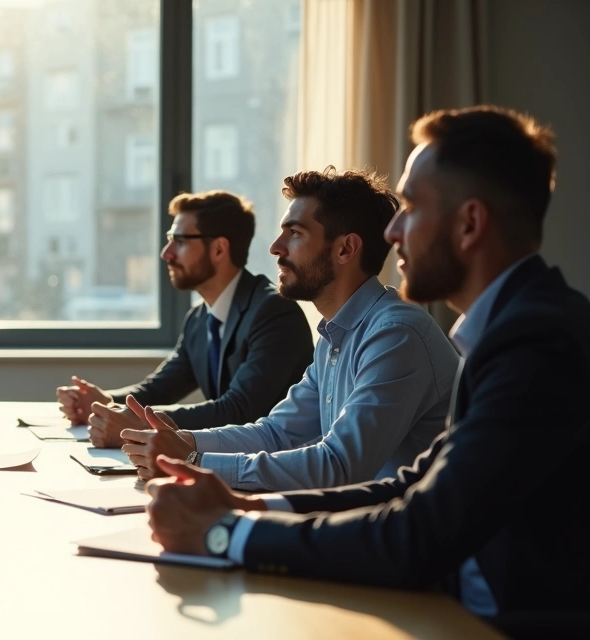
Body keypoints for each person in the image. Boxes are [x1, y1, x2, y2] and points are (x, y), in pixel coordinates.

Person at [144, 106, 589, 625]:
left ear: (470, 223)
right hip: (448, 595)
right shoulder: (502, 328)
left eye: (412, 207)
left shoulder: (537, 340)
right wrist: (254, 509)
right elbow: (413, 484)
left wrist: (226, 530)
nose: (394, 231)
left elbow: (419, 530)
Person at [121, 167, 458, 490]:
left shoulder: (396, 335)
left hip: (404, 537)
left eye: (295, 233)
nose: (275, 248)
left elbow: (340, 466)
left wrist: (194, 460)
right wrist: (183, 441)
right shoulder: (335, 335)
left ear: (345, 249)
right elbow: (276, 433)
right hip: (363, 521)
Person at [53, 190, 312, 446]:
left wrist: (139, 422)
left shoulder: (274, 313)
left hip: (276, 466)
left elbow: (238, 409)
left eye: (180, 241)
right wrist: (105, 403)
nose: (166, 253)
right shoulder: (198, 319)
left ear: (219, 249)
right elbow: (156, 390)